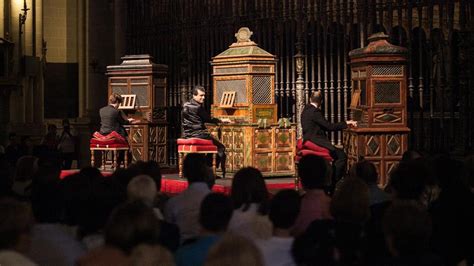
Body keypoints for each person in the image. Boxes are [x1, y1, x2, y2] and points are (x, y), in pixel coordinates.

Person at [301, 90, 357, 188]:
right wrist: (346, 123)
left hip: (308, 140)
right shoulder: (315, 112)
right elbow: (329, 127)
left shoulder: (305, 110)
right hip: (316, 141)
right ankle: (332, 182)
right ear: (321, 102)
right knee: (341, 156)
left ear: (310, 99)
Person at [182, 85, 226, 176]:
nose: (203, 98)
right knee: (220, 147)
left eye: (204, 95)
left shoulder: (185, 105)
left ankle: (199, 169)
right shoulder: (198, 108)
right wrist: (221, 120)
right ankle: (207, 170)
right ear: (194, 95)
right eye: (201, 95)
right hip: (199, 134)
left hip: (187, 135)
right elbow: (208, 119)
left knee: (211, 147)